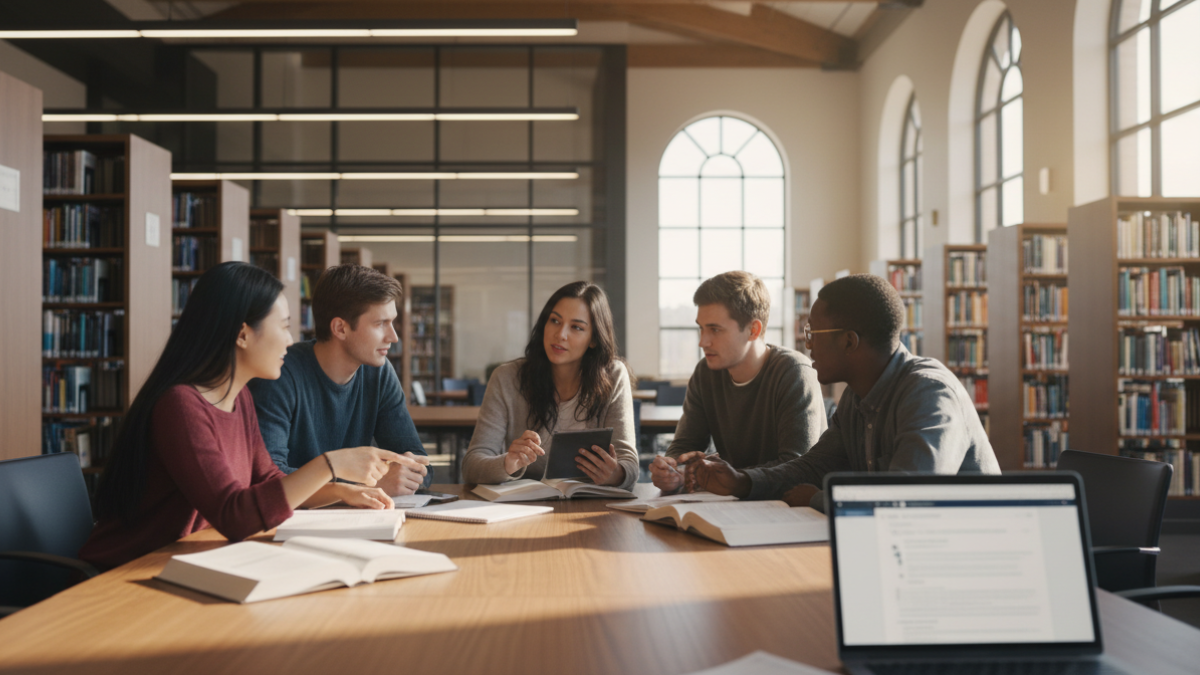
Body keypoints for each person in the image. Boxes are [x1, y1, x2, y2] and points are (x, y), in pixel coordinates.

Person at [80, 262, 401, 570]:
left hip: (185, 562)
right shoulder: (180, 406)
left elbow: (270, 483)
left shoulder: (239, 399)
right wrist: (332, 464)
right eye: (284, 327)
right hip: (125, 574)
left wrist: (340, 491)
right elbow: (234, 516)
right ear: (243, 335)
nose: (291, 340)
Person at [681, 273, 1000, 511]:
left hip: (968, 563)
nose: (808, 344)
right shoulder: (859, 397)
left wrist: (818, 498)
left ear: (849, 341)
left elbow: (906, 500)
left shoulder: (929, 394)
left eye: (813, 333)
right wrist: (741, 481)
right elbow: (814, 466)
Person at [249, 264, 431, 497]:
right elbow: (268, 479)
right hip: (290, 523)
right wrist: (367, 485)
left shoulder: (379, 372)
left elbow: (419, 462)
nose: (393, 337)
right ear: (340, 328)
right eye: (380, 324)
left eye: (392, 322)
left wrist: (407, 472)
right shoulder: (279, 374)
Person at [649, 271, 827, 494]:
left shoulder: (794, 373)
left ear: (753, 330)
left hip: (791, 509)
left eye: (715, 329)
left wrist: (719, 476)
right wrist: (672, 469)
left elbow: (796, 467)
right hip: (732, 503)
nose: (702, 342)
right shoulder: (705, 372)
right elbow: (685, 445)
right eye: (701, 328)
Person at [462, 281, 639, 489]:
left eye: (576, 327)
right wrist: (508, 463)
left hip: (591, 507)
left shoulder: (613, 375)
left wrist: (615, 474)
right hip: (525, 508)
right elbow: (471, 466)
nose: (560, 334)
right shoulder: (506, 377)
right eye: (555, 321)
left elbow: (629, 463)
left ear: (593, 339)